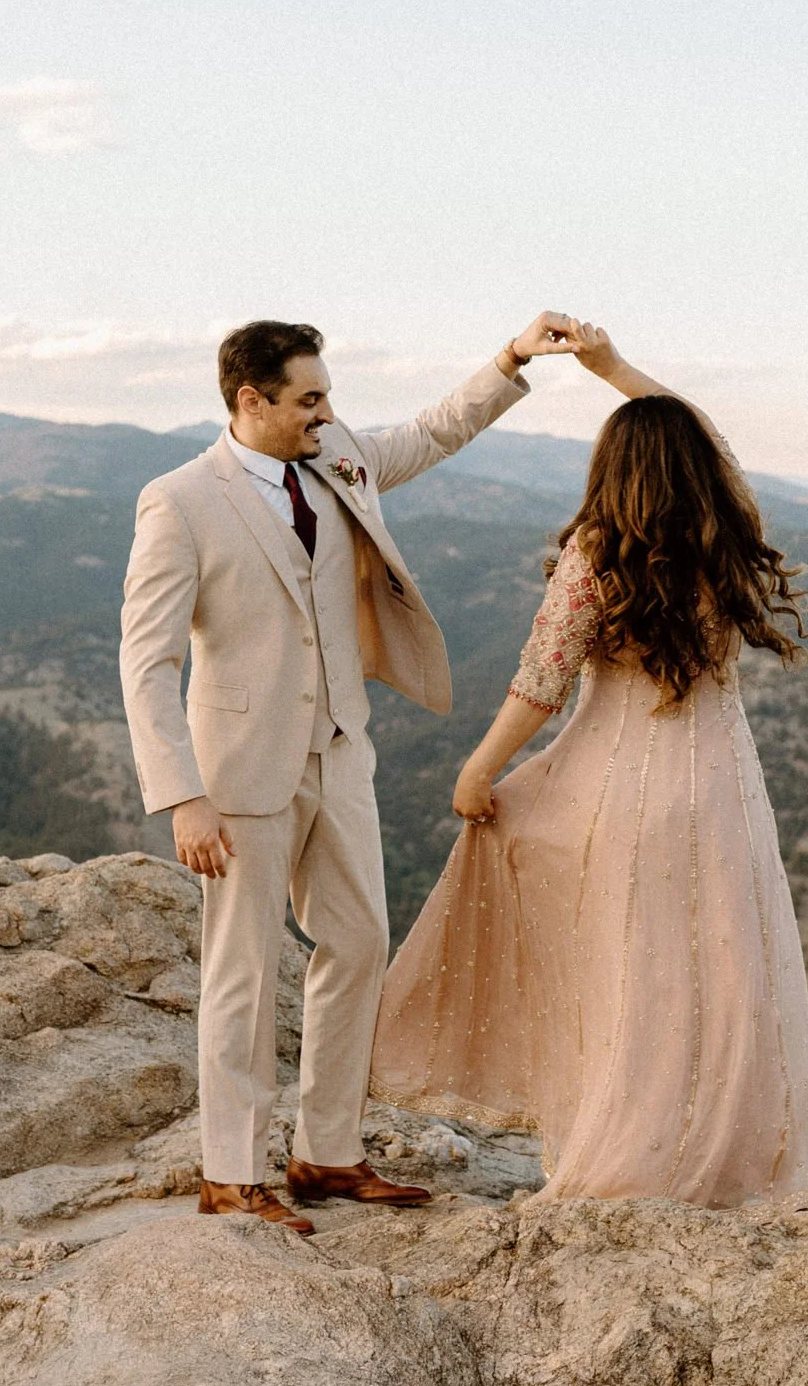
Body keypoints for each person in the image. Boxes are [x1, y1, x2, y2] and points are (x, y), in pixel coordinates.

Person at [120, 313, 580, 1232]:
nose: (327, 413)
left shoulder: (336, 459)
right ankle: (232, 1170)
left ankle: (326, 1152)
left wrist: (511, 359)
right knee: (243, 970)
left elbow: (431, 432)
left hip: (341, 747)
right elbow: (145, 661)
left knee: (360, 940)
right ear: (252, 401)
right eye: (309, 398)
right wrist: (181, 795)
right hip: (240, 770)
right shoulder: (179, 501)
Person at [369, 322, 808, 1206]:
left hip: (618, 790)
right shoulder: (726, 529)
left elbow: (541, 681)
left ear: (610, 472)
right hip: (723, 788)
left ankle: (626, 1144)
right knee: (726, 970)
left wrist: (479, 768)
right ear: (698, 466)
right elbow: (714, 441)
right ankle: (731, 1155)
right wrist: (614, 368)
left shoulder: (599, 552)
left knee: (628, 973)